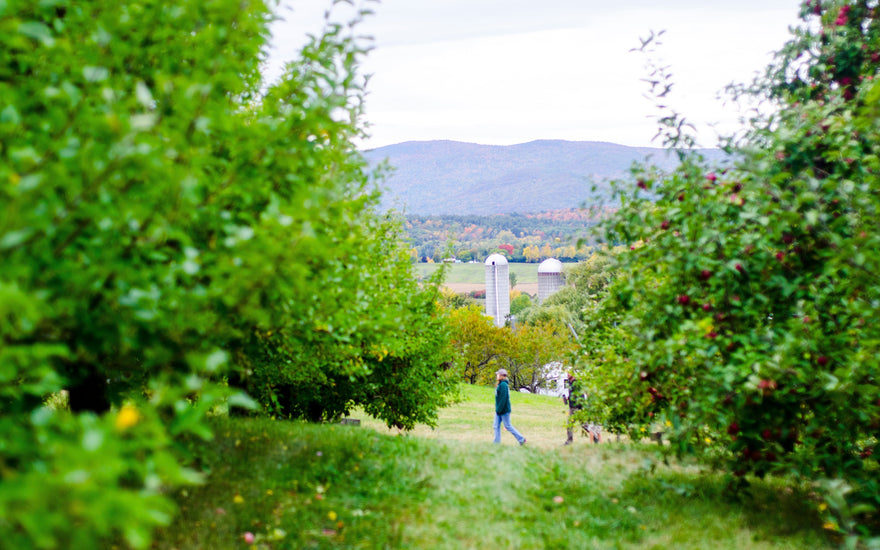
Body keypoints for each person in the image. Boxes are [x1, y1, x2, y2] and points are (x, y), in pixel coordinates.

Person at [563, 372, 601, 445]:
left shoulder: (577, 382)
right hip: (571, 407)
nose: (567, 374)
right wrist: (568, 398)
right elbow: (572, 393)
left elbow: (582, 394)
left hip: (578, 407)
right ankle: (569, 441)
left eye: (569, 373)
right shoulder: (569, 382)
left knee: (584, 425)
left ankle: (595, 439)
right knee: (569, 424)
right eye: (567, 373)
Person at [493, 368, 526, 445]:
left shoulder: (503, 385)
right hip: (499, 410)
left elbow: (504, 399)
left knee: (508, 426)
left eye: (498, 374)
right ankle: (496, 443)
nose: (496, 376)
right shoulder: (501, 384)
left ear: (501, 376)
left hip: (503, 410)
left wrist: (499, 410)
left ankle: (521, 439)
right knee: (496, 426)